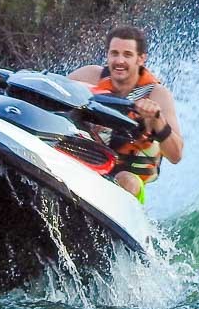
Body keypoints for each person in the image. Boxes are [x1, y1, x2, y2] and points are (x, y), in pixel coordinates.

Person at [69, 25, 183, 203]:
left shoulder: (157, 95)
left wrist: (157, 119)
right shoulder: (87, 76)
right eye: (114, 53)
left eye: (127, 55)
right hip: (87, 158)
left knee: (126, 180)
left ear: (141, 59)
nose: (119, 61)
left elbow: (176, 155)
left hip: (130, 178)